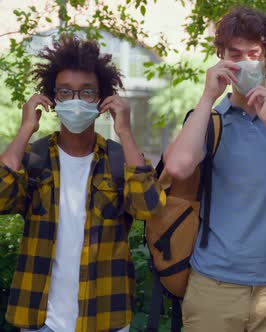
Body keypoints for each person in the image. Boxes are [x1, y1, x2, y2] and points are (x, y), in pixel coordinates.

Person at [164, 6, 266, 332]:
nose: (245, 62)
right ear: (220, 56)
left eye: (253, 53)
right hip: (213, 286)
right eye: (235, 54)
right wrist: (208, 97)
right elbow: (178, 167)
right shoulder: (210, 121)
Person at [0, 35, 165, 332]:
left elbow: (148, 207)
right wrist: (26, 128)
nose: (76, 100)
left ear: (102, 100)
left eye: (87, 92)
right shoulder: (35, 158)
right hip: (41, 321)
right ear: (52, 98)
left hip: (104, 319)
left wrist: (125, 132)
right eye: (65, 92)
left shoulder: (117, 159)